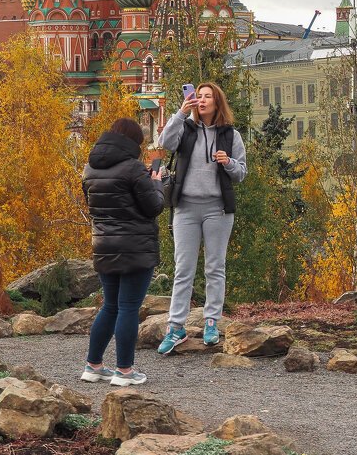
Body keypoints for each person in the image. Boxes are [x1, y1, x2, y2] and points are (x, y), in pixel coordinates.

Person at [157, 81, 247, 353]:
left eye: (209, 97)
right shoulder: (185, 128)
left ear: (218, 103)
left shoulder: (231, 135)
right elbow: (164, 143)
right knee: (183, 270)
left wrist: (228, 163)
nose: (203, 100)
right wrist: (180, 113)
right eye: (200, 96)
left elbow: (242, 173)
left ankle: (211, 321)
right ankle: (176, 327)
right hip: (185, 208)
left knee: (214, 267)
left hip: (217, 209)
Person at [81, 117, 164, 386]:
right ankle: (125, 371)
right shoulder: (134, 169)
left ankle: (93, 366)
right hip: (134, 247)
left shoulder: (89, 169)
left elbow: (96, 207)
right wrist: (158, 183)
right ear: (132, 142)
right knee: (129, 307)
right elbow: (153, 207)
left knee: (111, 306)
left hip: (103, 245)